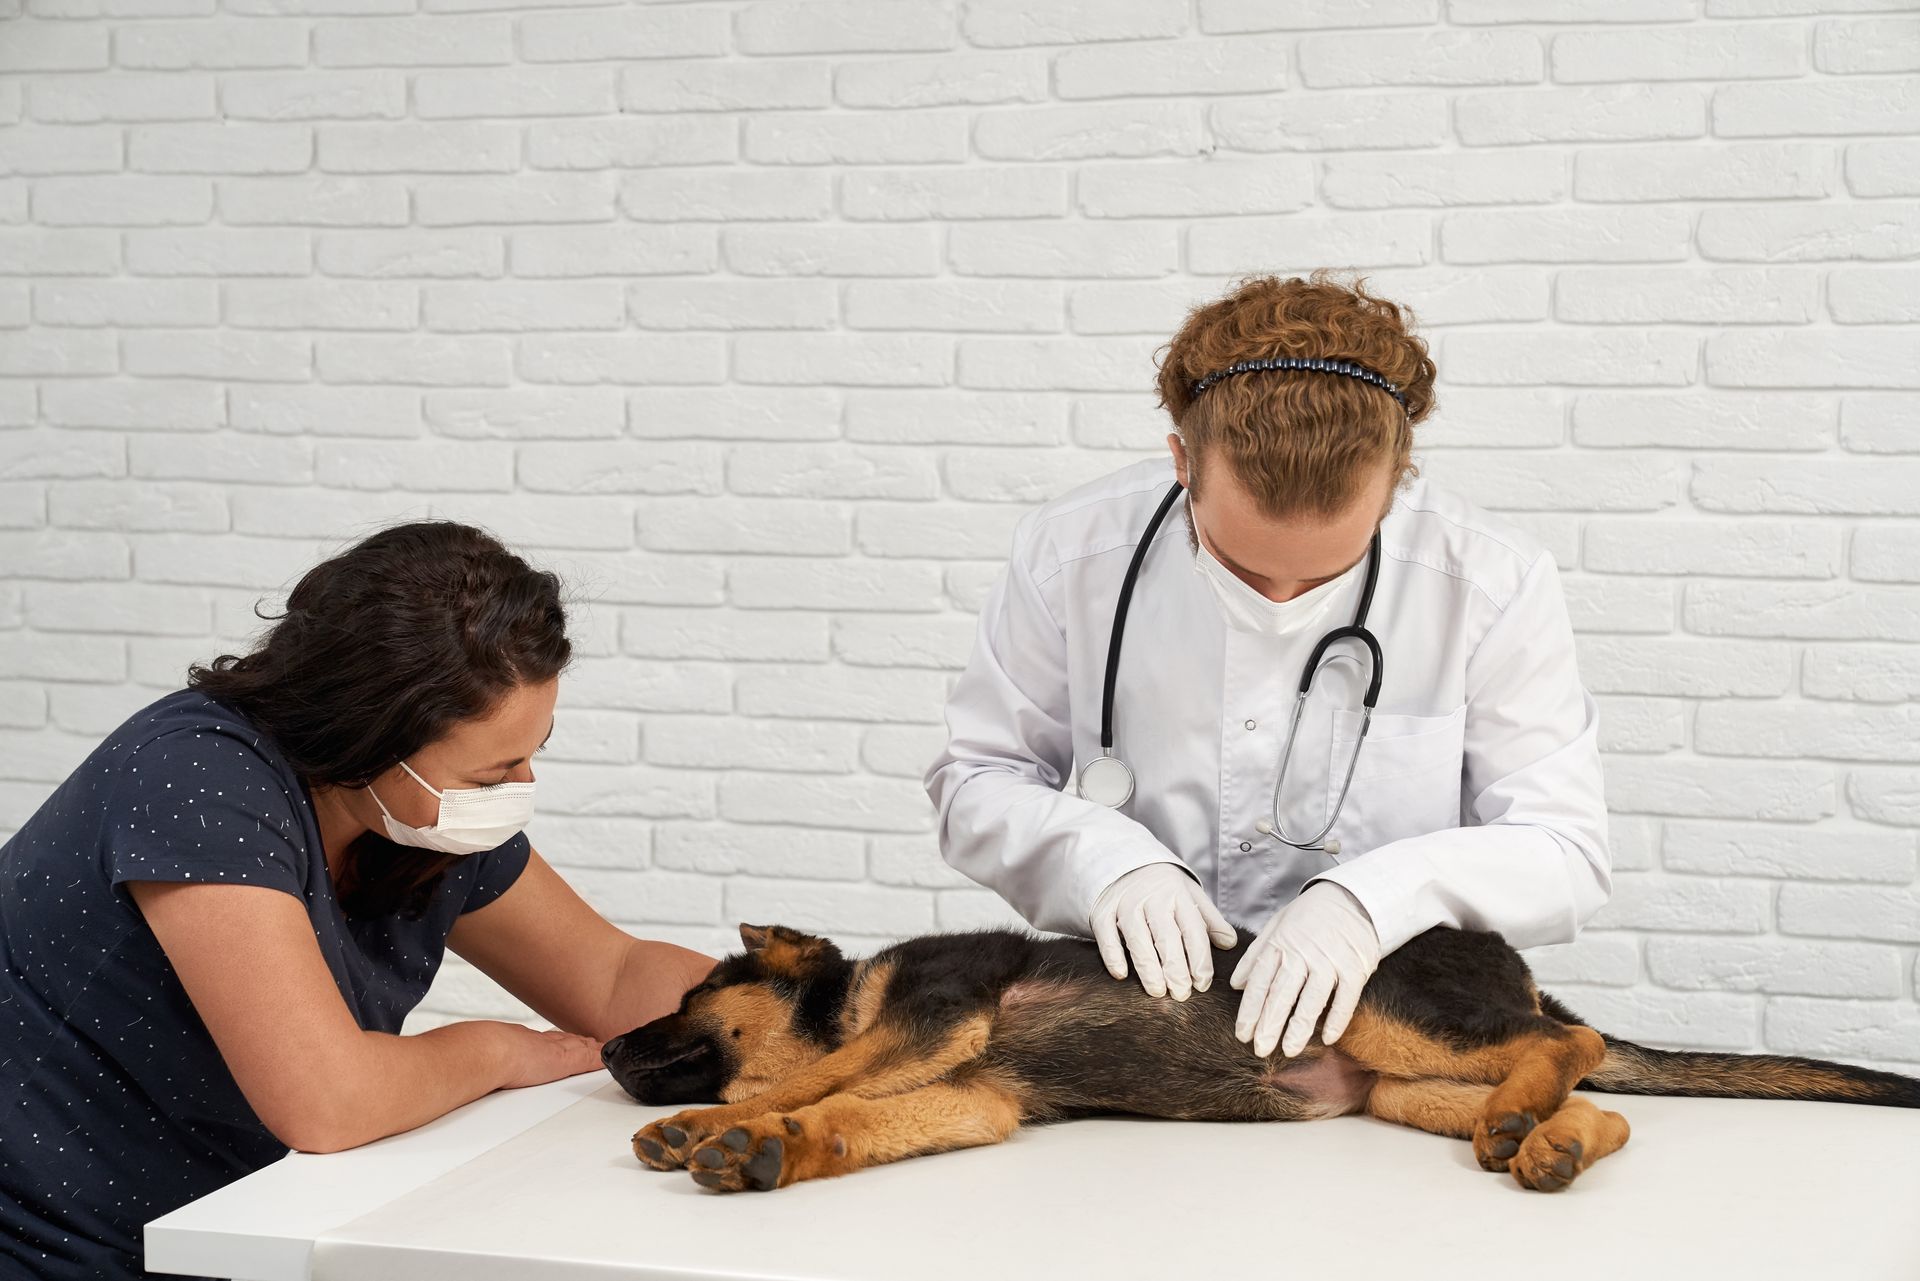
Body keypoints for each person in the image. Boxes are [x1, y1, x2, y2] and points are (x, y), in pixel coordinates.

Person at [926, 270, 1611, 1064]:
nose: (1281, 599)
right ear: (1183, 461)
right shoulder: (1071, 555)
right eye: (1244, 567)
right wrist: (1103, 860)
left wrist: (1376, 898)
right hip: (1153, 1031)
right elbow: (978, 777)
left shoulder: (1491, 582)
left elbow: (1565, 851)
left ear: (1396, 476)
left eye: (1324, 574)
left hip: (1383, 1033)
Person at [0, 521, 715, 1281]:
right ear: (372, 735)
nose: (521, 789)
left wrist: (816, 1018)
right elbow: (328, 1099)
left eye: (532, 755)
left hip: (224, 1227)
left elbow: (610, 976)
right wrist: (502, 1047)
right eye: (492, 774)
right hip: (50, 1241)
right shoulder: (195, 780)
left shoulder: (413, 817)